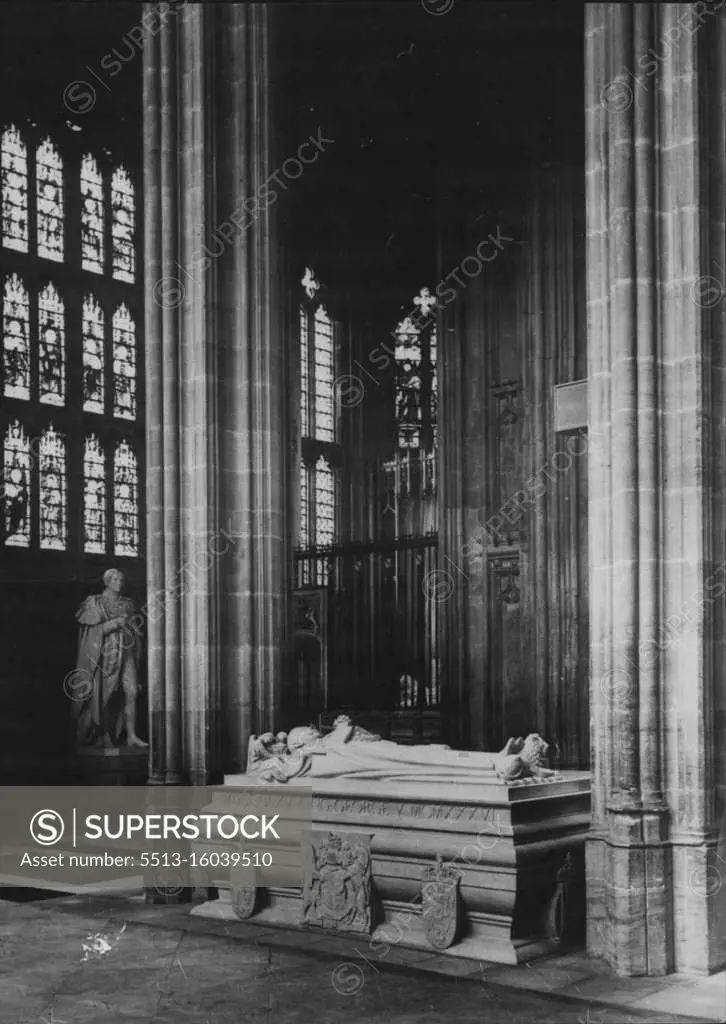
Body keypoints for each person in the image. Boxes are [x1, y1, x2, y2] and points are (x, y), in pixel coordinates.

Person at [70, 568, 147, 750]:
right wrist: (111, 625)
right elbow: (91, 633)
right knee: (105, 694)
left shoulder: (129, 604)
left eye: (121, 579)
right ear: (107, 581)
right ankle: (102, 735)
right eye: (115, 579)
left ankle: (131, 735)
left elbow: (136, 632)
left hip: (127, 654)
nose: (119, 582)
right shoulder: (94, 603)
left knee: (131, 692)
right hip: (105, 655)